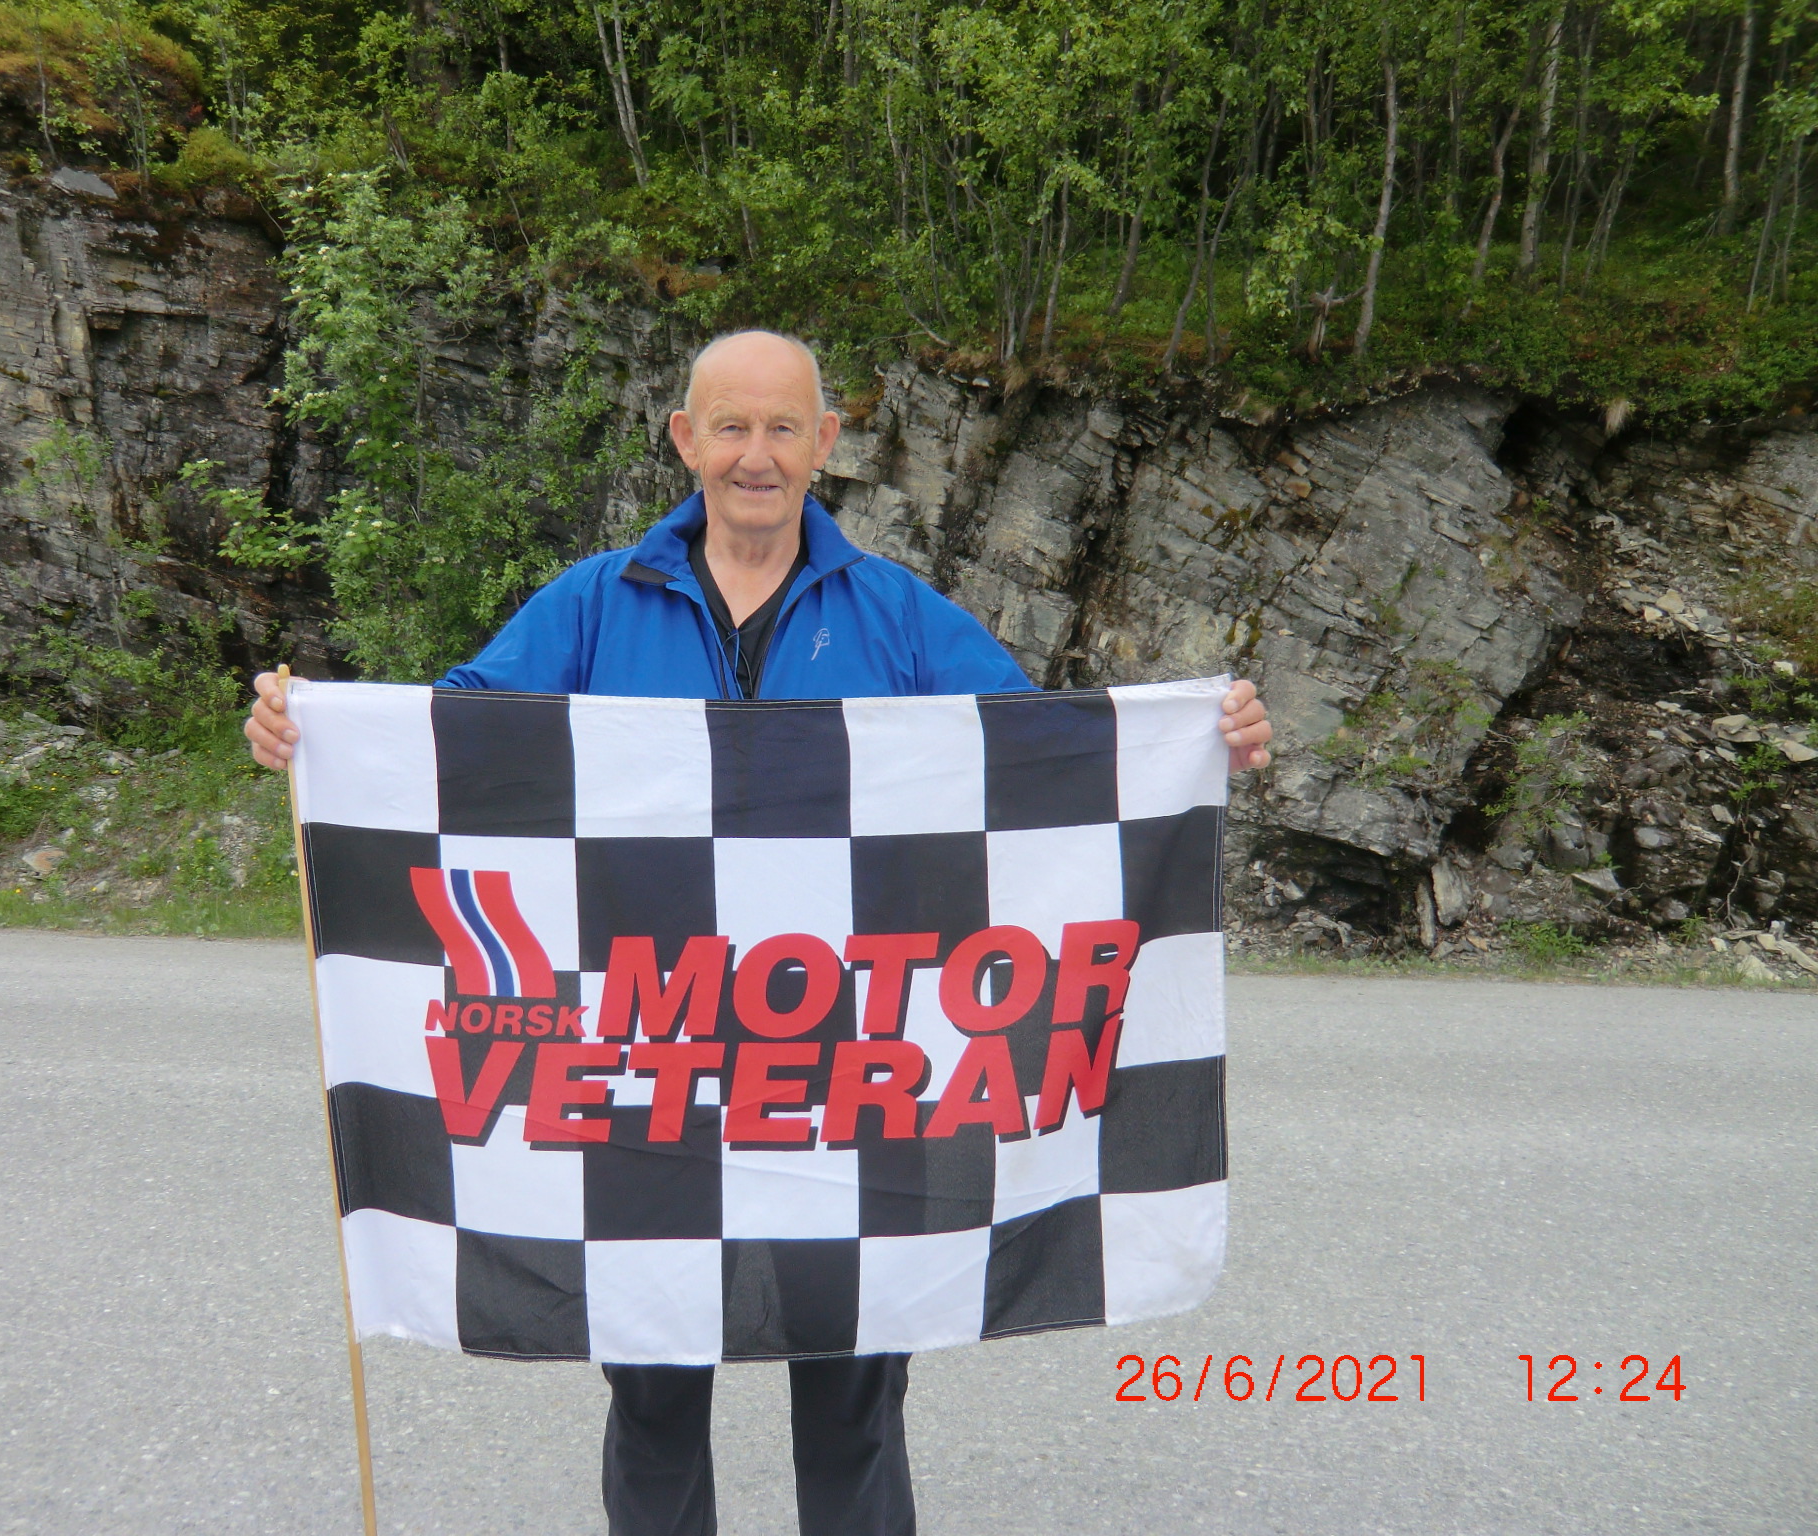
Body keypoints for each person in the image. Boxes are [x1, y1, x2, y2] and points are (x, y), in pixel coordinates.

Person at [245, 329, 1274, 1535]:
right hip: (650, 1058)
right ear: (684, 439)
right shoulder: (595, 603)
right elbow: (455, 732)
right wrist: (319, 732)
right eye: (730, 426)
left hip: (844, 1071)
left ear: (824, 443)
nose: (755, 455)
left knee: (851, 1397)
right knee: (652, 1392)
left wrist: (1194, 742)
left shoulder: (892, 612)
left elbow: (1047, 753)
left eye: (783, 428)